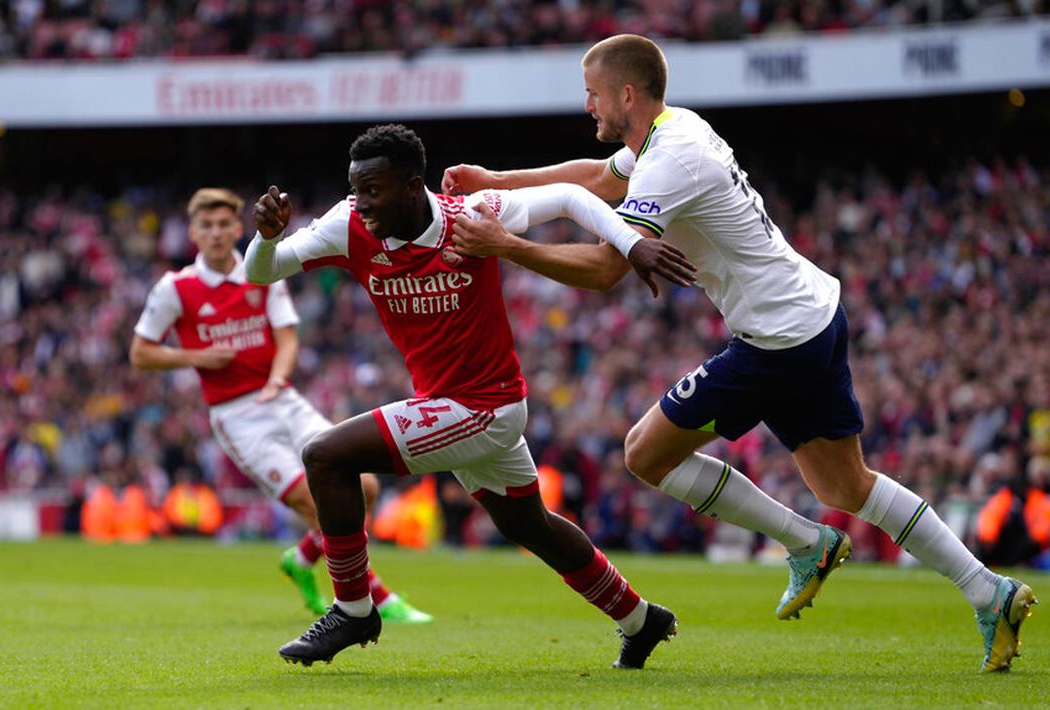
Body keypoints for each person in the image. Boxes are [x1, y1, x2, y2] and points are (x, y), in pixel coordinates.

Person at [440, 34, 1037, 673]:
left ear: (626, 94)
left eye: (592, 94)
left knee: (645, 453)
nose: (587, 107)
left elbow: (605, 269)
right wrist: (499, 180)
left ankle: (807, 544)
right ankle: (989, 591)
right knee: (844, 484)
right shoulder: (673, 130)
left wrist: (503, 245)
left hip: (777, 339)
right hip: (813, 315)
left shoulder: (670, 159)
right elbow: (594, 179)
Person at [246, 124, 692, 668]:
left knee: (325, 455)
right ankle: (641, 619)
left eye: (373, 191)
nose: (361, 204)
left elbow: (572, 197)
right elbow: (261, 272)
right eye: (355, 189)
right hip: (456, 406)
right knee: (530, 526)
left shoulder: (474, 216)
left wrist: (631, 242)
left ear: (414, 187)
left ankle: (354, 609)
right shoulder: (347, 225)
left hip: (485, 406)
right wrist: (266, 237)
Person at [131, 187, 432, 624]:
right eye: (206, 226)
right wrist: (196, 357)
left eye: (223, 225)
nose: (216, 233)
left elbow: (287, 337)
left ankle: (302, 557)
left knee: (364, 486)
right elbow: (141, 352)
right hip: (238, 416)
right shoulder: (176, 288)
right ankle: (379, 598)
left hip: (282, 399)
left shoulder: (261, 273)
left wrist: (277, 377)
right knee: (316, 502)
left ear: (237, 229)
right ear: (193, 233)